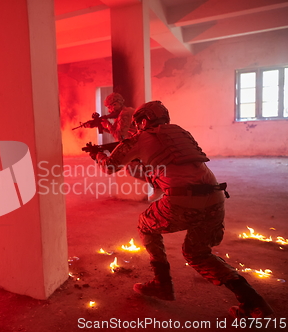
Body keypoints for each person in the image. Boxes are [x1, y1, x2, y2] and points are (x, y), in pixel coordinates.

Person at [90, 101, 273, 318]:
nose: (137, 126)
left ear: (145, 121)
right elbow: (163, 172)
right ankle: (254, 303)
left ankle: (162, 283)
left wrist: (97, 155)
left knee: (145, 225)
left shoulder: (139, 138)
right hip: (215, 198)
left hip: (181, 202)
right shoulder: (180, 134)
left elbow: (110, 167)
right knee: (198, 254)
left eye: (138, 122)